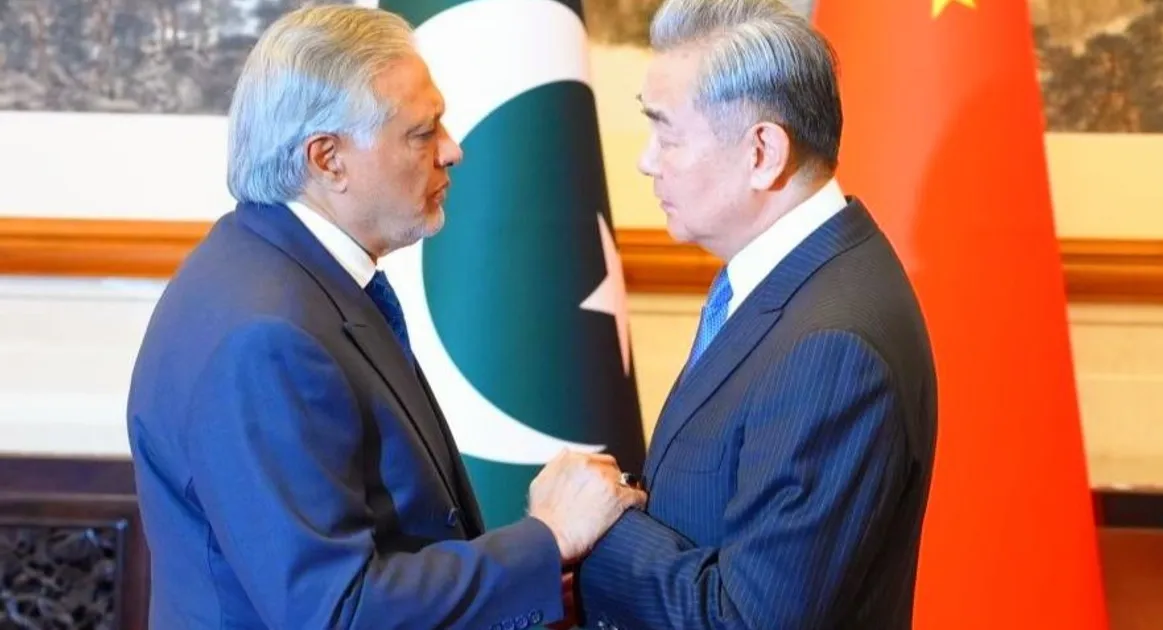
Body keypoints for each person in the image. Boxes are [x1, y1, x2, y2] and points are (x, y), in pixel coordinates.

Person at [125, 6, 645, 629]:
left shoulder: (277, 270)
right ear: (328, 159)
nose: (452, 150)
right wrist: (549, 537)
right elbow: (339, 611)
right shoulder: (267, 335)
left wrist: (525, 586)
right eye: (422, 133)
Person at [571, 0, 938, 628]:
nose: (647, 160)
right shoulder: (794, 277)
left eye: (668, 135)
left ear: (762, 151)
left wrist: (599, 525)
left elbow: (746, 617)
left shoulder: (831, 347)